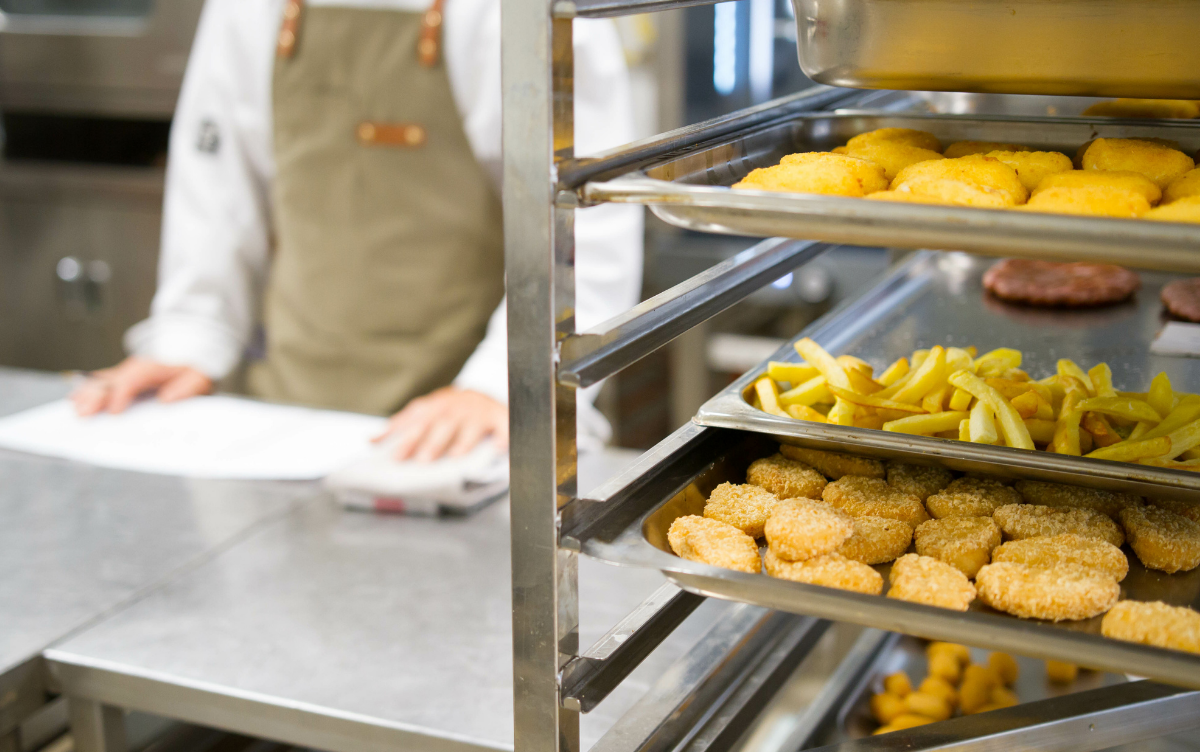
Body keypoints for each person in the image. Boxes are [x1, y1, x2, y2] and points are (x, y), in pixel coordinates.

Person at [70, 0, 642, 460]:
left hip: (474, 437)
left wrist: (505, 385)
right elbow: (217, 179)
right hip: (287, 418)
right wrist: (190, 336)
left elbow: (582, 214)